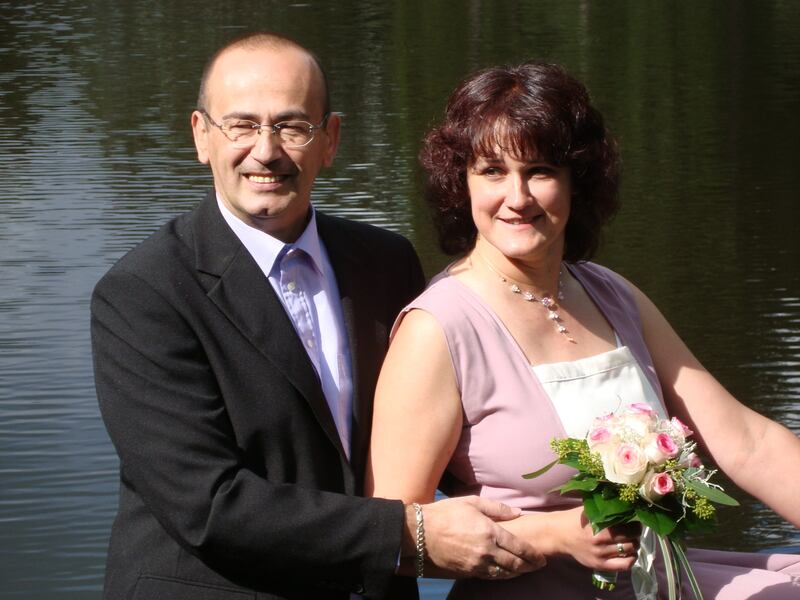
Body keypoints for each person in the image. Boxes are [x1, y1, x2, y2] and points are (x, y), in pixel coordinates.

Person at [91, 33, 546, 600]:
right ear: (201, 137)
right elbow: (208, 504)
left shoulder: (385, 262)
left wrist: (590, 477)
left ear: (330, 140)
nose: (266, 150)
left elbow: (446, 437)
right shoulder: (143, 293)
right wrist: (410, 532)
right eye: (241, 125)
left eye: (291, 125)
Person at [366, 61, 800, 598]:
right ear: (462, 183)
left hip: (658, 580)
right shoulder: (438, 328)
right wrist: (550, 534)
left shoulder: (609, 293)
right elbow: (390, 536)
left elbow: (749, 443)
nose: (518, 197)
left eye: (541, 170)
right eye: (493, 171)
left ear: (579, 180)